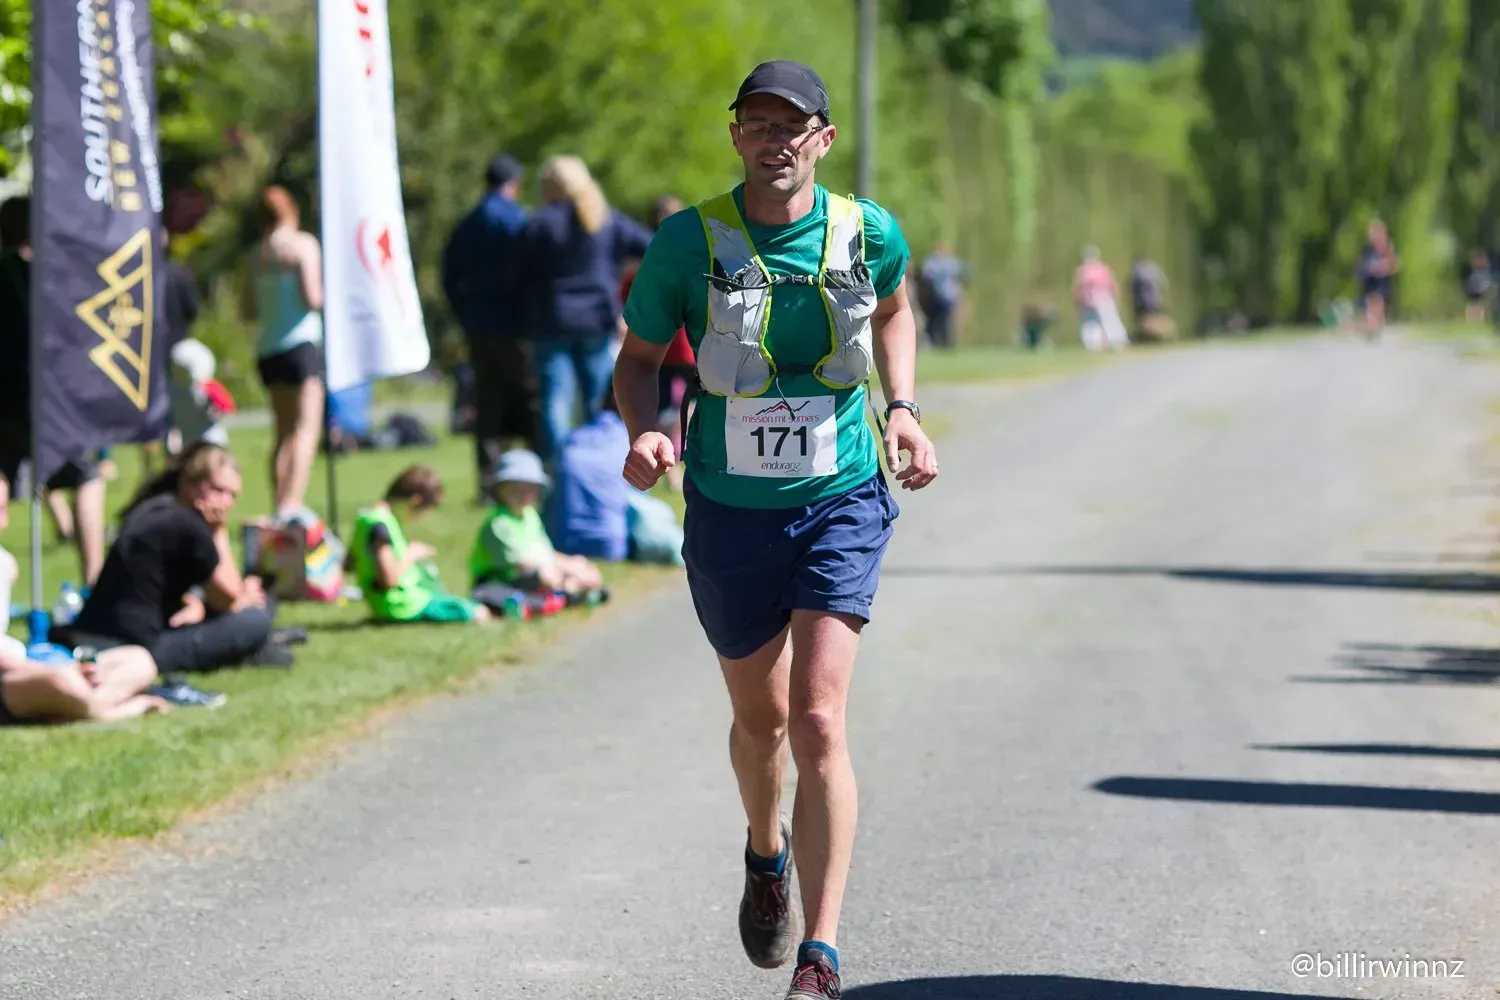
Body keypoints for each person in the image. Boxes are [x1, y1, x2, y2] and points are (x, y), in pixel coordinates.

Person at [612, 60, 938, 1000]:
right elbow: (635, 362)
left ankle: (822, 953)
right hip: (728, 513)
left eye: (793, 125)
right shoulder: (686, 243)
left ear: (823, 140)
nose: (775, 138)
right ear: (736, 136)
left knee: (818, 717)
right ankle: (767, 853)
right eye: (757, 122)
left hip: (840, 495)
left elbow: (895, 308)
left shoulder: (867, 231)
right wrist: (645, 427)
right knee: (759, 722)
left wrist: (904, 408)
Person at [57, 442, 293, 673]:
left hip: (100, 630)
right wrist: (218, 532)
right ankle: (257, 646)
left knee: (256, 608)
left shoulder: (155, 508)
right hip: (139, 649)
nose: (226, 503)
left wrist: (198, 602)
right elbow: (228, 600)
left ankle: (256, 647)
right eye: (218, 490)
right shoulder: (187, 525)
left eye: (233, 496)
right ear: (190, 485)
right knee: (256, 619)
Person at [0, 195, 108, 587]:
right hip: (46, 400)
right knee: (85, 478)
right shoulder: (49, 273)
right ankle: (93, 580)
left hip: (7, 400)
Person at [518, 155, 654, 461]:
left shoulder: (538, 223)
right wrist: (625, 281)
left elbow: (517, 276)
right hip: (596, 319)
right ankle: (602, 460)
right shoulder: (604, 218)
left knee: (556, 401)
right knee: (600, 399)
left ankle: (560, 466)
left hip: (550, 322)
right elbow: (653, 246)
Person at [442, 153, 542, 497]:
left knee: (488, 405)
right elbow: (534, 272)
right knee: (530, 401)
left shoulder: (467, 223)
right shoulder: (518, 220)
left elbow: (448, 275)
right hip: (516, 325)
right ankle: (534, 474)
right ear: (513, 184)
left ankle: (489, 483)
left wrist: (464, 311)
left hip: (479, 325)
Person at [242, 185, 324, 517]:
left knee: (282, 433)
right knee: (306, 430)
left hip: (269, 348)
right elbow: (312, 297)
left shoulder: (257, 254)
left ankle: (279, 504)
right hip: (301, 345)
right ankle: (292, 505)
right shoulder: (303, 245)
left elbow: (247, 310)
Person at [350, 465, 492, 625]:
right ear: (415, 502)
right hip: (404, 607)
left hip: (390, 605)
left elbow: (350, 563)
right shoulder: (380, 526)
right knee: (478, 612)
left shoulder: (365, 519)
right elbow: (388, 580)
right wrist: (411, 554)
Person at [471, 449, 607, 604]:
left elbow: (546, 553)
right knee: (547, 575)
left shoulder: (530, 515)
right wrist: (564, 572)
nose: (523, 493)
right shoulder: (498, 524)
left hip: (537, 571)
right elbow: (523, 565)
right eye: (515, 487)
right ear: (500, 489)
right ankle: (570, 591)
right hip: (500, 581)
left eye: (529, 487)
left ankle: (573, 590)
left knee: (580, 564)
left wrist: (573, 565)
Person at [0, 638, 170, 725]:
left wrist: (75, 671)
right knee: (60, 681)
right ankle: (125, 707)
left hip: (43, 662)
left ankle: (86, 703)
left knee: (139, 658)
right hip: (10, 679)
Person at [1072, 245, 1129, 352]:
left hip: (1088, 301)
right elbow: (1112, 285)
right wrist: (1115, 297)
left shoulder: (1082, 271)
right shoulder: (1102, 269)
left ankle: (1093, 345)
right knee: (1109, 320)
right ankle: (1117, 342)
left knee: (1090, 323)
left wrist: (1077, 300)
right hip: (1103, 298)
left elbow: (1077, 287)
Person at [915, 242, 966, 348]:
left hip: (944, 298)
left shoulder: (943, 263)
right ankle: (940, 342)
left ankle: (945, 342)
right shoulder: (945, 263)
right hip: (938, 298)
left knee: (943, 321)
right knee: (938, 321)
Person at [1358, 219, 1399, 339]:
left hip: (1383, 282)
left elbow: (1395, 265)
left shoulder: (1389, 248)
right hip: (1369, 281)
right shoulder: (1367, 250)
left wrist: (1385, 266)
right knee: (1370, 304)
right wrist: (1370, 268)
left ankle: (1374, 326)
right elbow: (1362, 266)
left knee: (1379, 302)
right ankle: (1371, 326)